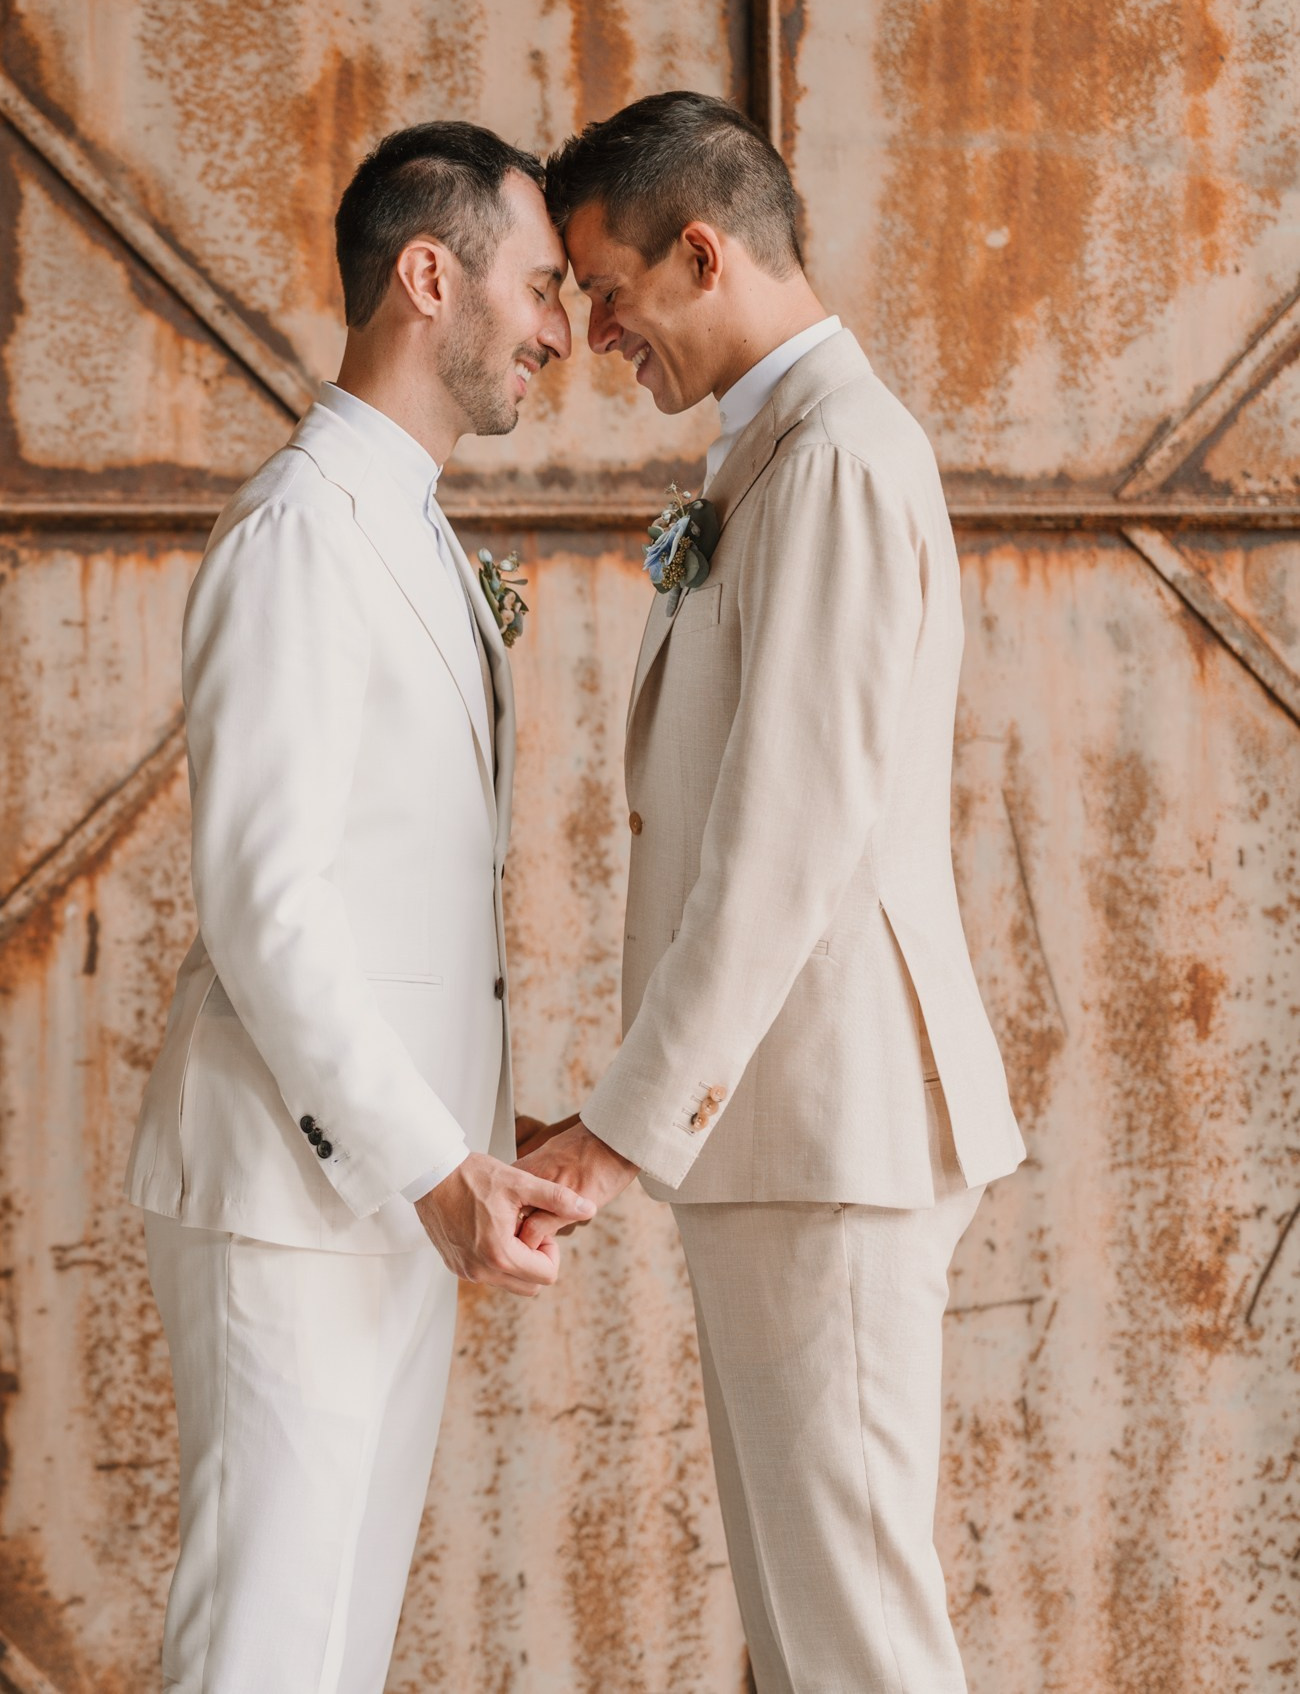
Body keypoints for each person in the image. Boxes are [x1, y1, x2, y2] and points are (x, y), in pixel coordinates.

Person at [518, 91, 1026, 1693]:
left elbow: (783, 835)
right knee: (813, 1635)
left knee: (859, 1637)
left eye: (607, 290)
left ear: (703, 250)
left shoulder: (837, 461)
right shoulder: (780, 451)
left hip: (835, 1121)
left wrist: (617, 1124)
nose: (597, 334)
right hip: (785, 1134)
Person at [123, 121, 591, 1694]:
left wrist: (465, 1150)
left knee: (330, 1651)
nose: (558, 331)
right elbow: (268, 905)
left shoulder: (417, 533)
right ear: (426, 274)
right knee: (264, 1646)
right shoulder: (297, 531)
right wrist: (424, 1162)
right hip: (295, 1188)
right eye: (537, 288)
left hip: (402, 1184)